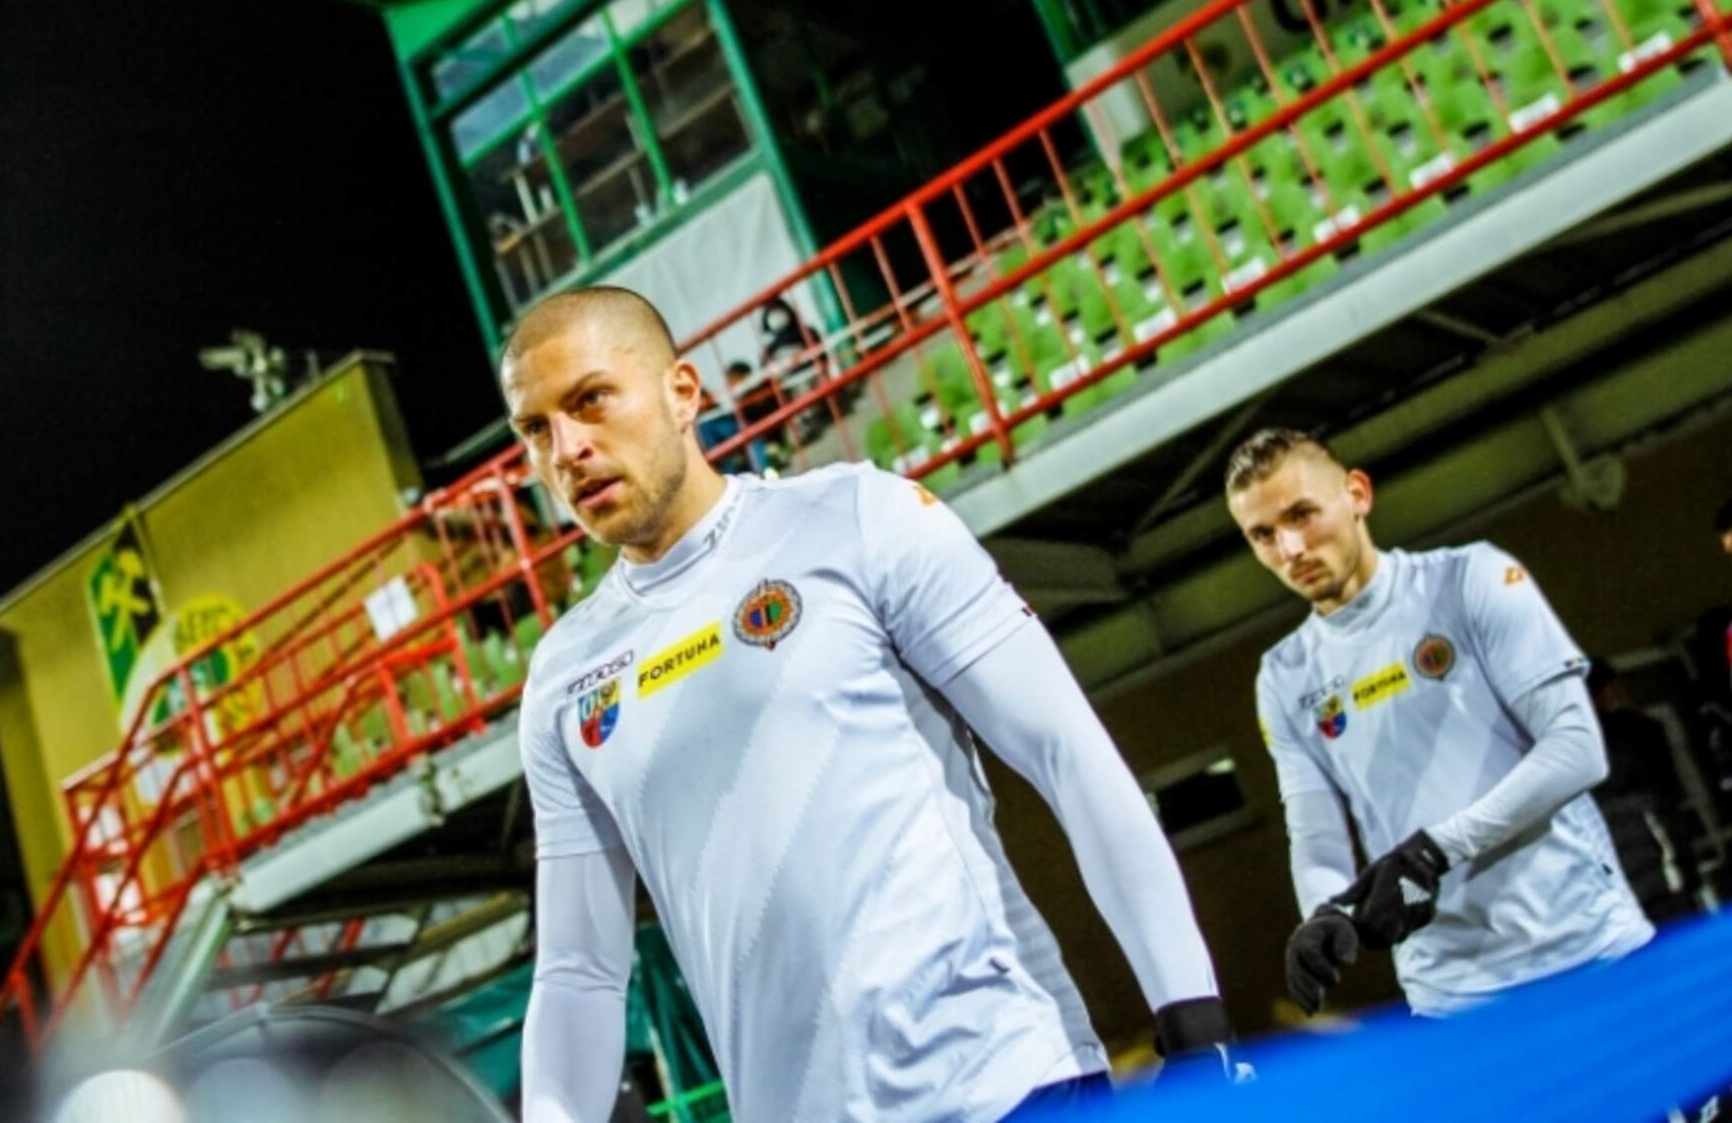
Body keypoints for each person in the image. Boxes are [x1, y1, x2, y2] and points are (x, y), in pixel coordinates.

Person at [503, 285, 1239, 1123]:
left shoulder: (857, 518)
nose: (567, 449)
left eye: (591, 400)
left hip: (1005, 1086)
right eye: (535, 430)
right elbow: (580, 970)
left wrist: (1192, 1017)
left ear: (682, 393)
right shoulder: (566, 677)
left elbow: (1065, 754)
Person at [1223, 427, 1652, 1019]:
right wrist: (1324, 911)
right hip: (1450, 998)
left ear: (1357, 494)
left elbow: (1577, 749)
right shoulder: (1283, 676)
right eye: (1263, 535)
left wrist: (1434, 852)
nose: (1290, 548)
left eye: (1302, 515)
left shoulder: (1471, 578)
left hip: (1589, 948)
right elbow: (1316, 832)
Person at [1586, 660, 1697, 922]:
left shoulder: (1580, 746)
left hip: (1628, 867)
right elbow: (1667, 791)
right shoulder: (1635, 731)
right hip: (1655, 854)